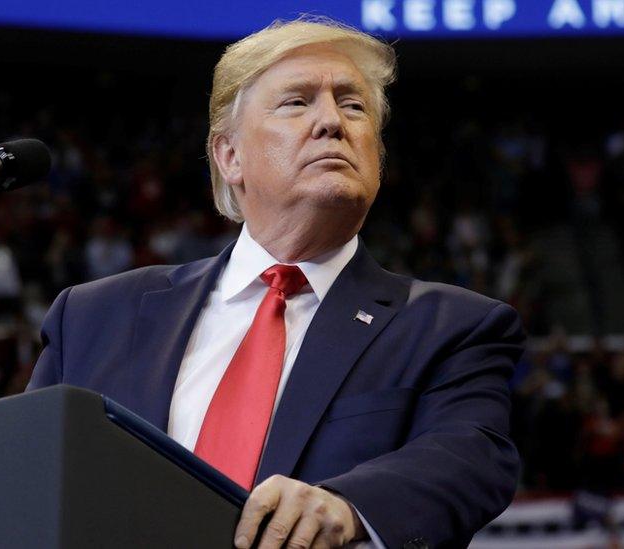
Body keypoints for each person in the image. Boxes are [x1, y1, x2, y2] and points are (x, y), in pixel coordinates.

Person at [28, 15, 525, 549]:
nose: (333, 121)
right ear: (230, 155)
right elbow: (23, 477)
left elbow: (467, 456)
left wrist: (348, 505)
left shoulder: (452, 327)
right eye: (297, 101)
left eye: (353, 105)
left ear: (377, 156)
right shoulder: (94, 316)